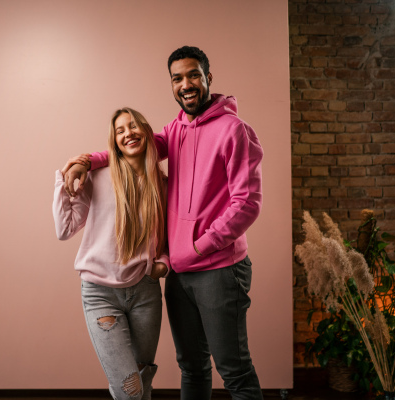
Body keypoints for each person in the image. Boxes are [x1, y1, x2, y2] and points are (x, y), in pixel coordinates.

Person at [62, 46, 264, 400]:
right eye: (177, 78)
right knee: (192, 366)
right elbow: (131, 147)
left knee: (234, 371)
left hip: (218, 268)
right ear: (172, 84)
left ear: (207, 78)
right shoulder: (176, 129)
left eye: (193, 75)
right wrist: (87, 161)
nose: (186, 84)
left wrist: (199, 245)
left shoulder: (235, 130)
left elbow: (247, 205)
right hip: (179, 273)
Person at [53, 107, 169, 400]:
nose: (128, 133)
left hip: (146, 292)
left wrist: (164, 264)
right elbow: (64, 229)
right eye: (120, 130)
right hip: (100, 294)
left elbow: (169, 238)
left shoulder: (162, 184)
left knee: (143, 383)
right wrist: (64, 179)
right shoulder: (98, 176)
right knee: (129, 390)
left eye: (133, 126)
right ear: (114, 141)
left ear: (146, 132)